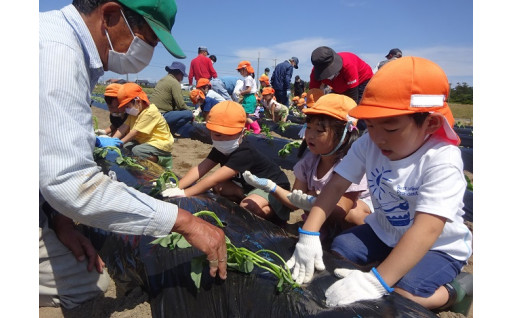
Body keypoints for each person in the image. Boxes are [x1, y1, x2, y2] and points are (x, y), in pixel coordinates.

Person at [40, 0, 227, 309]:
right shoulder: (58, 54)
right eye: (148, 41)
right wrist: (186, 222)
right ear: (111, 16)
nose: (147, 54)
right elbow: (71, 183)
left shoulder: (52, 37)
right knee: (90, 284)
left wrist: (61, 221)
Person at [286, 57, 472, 312]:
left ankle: (456, 291)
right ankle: (390, 265)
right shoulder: (368, 144)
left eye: (391, 128)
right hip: (387, 231)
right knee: (340, 247)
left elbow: (427, 229)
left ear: (430, 123)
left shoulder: (442, 159)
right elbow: (336, 186)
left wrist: (377, 280)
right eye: (370, 125)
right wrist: (309, 234)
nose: (377, 137)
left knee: (404, 293)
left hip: (437, 245)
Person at [243, 93, 372, 240]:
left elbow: (342, 209)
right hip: (323, 212)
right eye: (309, 127)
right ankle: (326, 231)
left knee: (354, 215)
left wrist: (312, 198)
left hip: (349, 212)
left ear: (344, 136)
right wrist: (271, 187)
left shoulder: (351, 163)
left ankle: (354, 240)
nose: (310, 135)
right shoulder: (309, 162)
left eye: (319, 131)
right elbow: (295, 202)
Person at [161, 101, 292, 223]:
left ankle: (274, 212)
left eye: (228, 134)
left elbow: (213, 179)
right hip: (249, 185)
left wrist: (185, 193)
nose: (222, 139)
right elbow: (200, 169)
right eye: (217, 135)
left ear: (243, 133)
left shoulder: (244, 153)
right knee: (219, 188)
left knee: (248, 206)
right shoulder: (220, 148)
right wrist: (178, 187)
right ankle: (248, 195)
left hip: (272, 187)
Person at [112, 83, 174, 167]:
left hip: (160, 143)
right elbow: (124, 127)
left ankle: (162, 160)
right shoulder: (135, 112)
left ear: (138, 101)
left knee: (137, 151)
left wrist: (119, 143)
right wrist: (112, 141)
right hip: (146, 142)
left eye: (127, 106)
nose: (126, 109)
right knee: (126, 147)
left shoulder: (150, 112)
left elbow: (134, 132)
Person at [150, 62, 194, 135]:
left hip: (151, 113)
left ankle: (165, 130)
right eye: (182, 75)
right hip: (161, 114)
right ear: (179, 73)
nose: (182, 78)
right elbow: (181, 104)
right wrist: (191, 112)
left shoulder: (162, 80)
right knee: (188, 114)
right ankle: (168, 132)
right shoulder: (174, 83)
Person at [236, 61, 261, 134]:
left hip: (249, 97)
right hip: (250, 97)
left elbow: (249, 89)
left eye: (240, 71)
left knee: (245, 117)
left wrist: (241, 93)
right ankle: (247, 128)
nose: (240, 73)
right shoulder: (250, 78)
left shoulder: (248, 79)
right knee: (245, 115)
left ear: (245, 69)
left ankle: (257, 128)